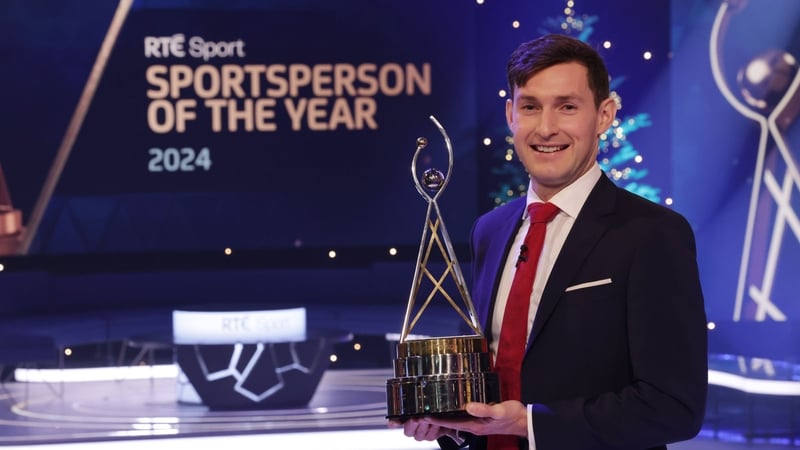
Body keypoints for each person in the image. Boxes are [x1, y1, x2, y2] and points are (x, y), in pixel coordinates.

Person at [393, 34, 708, 449]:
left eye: (567, 107)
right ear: (510, 115)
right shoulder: (489, 230)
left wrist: (529, 424)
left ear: (604, 115)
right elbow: (484, 382)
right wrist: (452, 424)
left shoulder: (653, 233)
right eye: (530, 107)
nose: (545, 128)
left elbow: (674, 407)